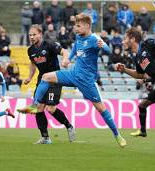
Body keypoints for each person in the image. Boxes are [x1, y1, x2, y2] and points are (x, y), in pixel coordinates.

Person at [17, 14, 127, 148]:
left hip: (87, 80)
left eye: (78, 26)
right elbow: (74, 50)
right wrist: (68, 59)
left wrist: (104, 45)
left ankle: (117, 135)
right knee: (46, 77)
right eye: (75, 25)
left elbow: (109, 51)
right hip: (73, 74)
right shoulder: (79, 37)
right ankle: (34, 105)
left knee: (100, 108)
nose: (75, 28)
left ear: (87, 26)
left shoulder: (94, 39)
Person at [17, 24, 75, 144]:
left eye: (34, 34)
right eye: (30, 35)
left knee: (50, 108)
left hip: (55, 78)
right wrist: (29, 77)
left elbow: (64, 51)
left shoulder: (50, 44)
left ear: (40, 34)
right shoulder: (30, 50)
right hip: (42, 79)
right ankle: (45, 137)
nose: (32, 37)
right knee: (38, 108)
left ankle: (69, 126)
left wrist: (65, 59)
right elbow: (33, 64)